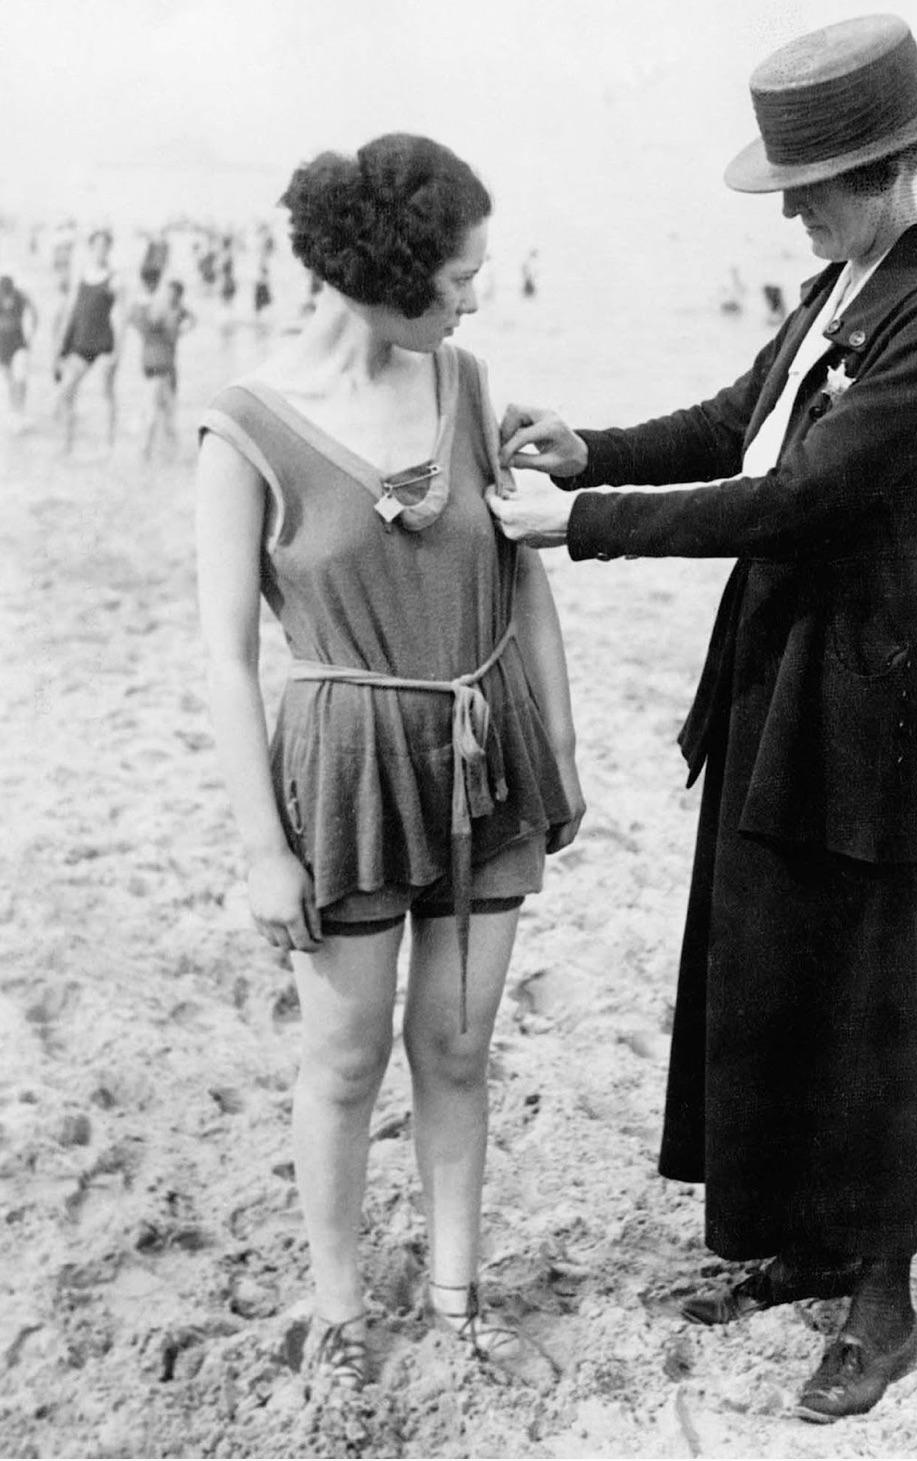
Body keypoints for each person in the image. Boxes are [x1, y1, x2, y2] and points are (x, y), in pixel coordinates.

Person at [491, 14, 917, 1423]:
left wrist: (578, 523)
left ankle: (882, 1290)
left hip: (877, 684)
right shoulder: (844, 287)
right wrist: (592, 448)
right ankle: (805, 1240)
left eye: (813, 181)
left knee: (881, 989)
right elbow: (736, 424)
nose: (789, 207)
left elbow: (800, 498)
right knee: (769, 960)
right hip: (786, 668)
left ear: (895, 165)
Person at [195, 132, 584, 1392]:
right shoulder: (245, 427)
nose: (475, 298)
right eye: (461, 275)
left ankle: (458, 1296)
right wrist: (264, 852)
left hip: (486, 756)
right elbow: (225, 661)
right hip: (347, 771)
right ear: (396, 273)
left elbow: (525, 581)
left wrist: (560, 752)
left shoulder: (467, 384)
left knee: (460, 1048)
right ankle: (342, 1305)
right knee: (348, 1060)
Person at [55, 227, 125, 454]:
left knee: (106, 393)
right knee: (66, 390)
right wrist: (60, 345)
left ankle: (110, 443)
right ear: (91, 247)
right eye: (97, 245)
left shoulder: (115, 279)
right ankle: (67, 443)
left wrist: (118, 354)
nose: (101, 250)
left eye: (105, 246)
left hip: (104, 344)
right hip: (80, 343)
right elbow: (70, 312)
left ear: (109, 249)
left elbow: (121, 318)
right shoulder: (81, 275)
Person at [129, 277, 195, 461]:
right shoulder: (167, 313)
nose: (169, 297)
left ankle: (154, 452)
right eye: (168, 293)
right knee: (160, 411)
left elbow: (134, 320)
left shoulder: (169, 312)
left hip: (163, 367)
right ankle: (154, 452)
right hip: (160, 368)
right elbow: (135, 320)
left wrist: (180, 331)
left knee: (162, 411)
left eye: (172, 294)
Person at [0, 274, 38, 430]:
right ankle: (14, 413)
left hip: (18, 342)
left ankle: (20, 412)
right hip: (3, 344)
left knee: (20, 377)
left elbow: (35, 315)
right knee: (10, 381)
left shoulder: (21, 296)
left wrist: (30, 337)